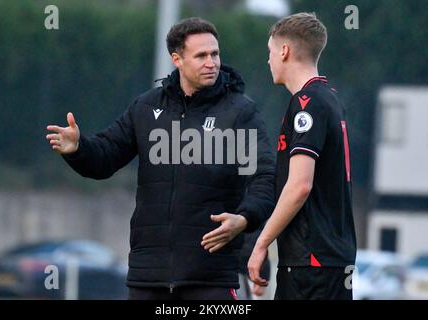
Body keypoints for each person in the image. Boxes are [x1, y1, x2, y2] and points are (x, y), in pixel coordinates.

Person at [46, 17, 275, 300]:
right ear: (177, 59)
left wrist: (244, 218)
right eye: (201, 55)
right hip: (148, 275)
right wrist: (78, 148)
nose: (212, 63)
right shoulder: (146, 107)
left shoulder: (240, 112)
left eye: (215, 54)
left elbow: (264, 177)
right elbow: (104, 158)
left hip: (210, 277)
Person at [248, 12, 357, 300]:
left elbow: (300, 186)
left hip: (311, 263)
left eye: (270, 52)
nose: (268, 60)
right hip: (330, 261)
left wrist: (261, 244)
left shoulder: (307, 103)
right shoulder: (330, 98)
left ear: (284, 51)